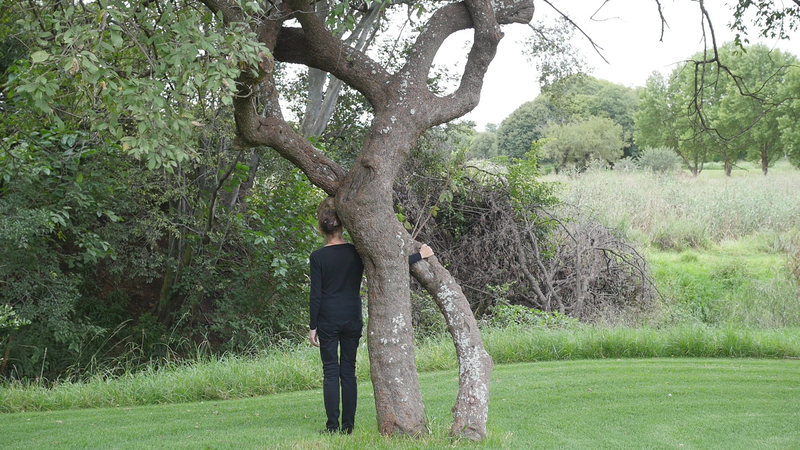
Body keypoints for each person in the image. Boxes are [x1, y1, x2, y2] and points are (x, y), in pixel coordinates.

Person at [308, 201, 434, 435]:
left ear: (321, 229)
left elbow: (316, 295)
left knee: (330, 371)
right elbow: (388, 266)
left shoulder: (317, 257)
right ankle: (348, 426)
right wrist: (419, 255)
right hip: (351, 316)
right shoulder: (356, 251)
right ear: (342, 227)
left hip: (327, 318)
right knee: (348, 370)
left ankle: (332, 426)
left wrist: (312, 326)